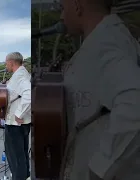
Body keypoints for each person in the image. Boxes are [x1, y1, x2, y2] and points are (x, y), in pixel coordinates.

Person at [59, 0, 140, 180]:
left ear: (77, 5)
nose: (61, 16)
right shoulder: (106, 39)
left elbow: (135, 106)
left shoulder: (106, 44)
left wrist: (99, 168)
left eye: (62, 8)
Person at [4, 52, 31, 180]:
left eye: (6, 63)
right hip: (19, 124)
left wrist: (19, 113)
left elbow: (29, 94)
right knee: (21, 154)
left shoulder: (20, 76)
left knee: (16, 157)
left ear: (11, 62)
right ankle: (24, 176)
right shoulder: (20, 74)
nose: (6, 65)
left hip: (16, 125)